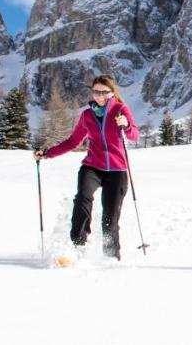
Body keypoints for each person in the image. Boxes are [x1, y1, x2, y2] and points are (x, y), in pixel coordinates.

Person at [34, 75, 139, 260]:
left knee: (110, 219)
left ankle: (111, 258)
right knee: (83, 200)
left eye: (103, 92)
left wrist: (127, 125)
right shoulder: (87, 115)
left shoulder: (120, 110)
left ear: (111, 93)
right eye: (96, 91)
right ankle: (77, 248)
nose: (99, 96)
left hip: (116, 171)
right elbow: (73, 141)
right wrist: (47, 153)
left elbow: (134, 135)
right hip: (92, 167)